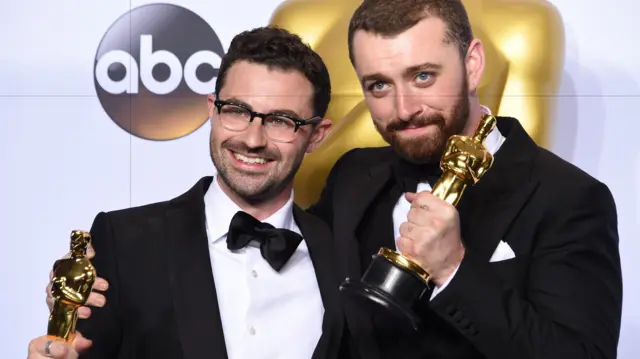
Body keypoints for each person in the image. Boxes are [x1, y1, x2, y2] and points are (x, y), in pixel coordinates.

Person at [307, 0, 623, 359]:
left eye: (423, 76)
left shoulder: (570, 198)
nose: (405, 109)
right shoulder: (352, 176)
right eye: (379, 85)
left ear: (472, 66)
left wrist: (454, 269)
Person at [27, 26, 345, 359]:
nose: (253, 140)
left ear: (316, 135)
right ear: (212, 108)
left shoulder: (343, 254)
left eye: (281, 120)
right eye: (237, 111)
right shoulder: (123, 244)